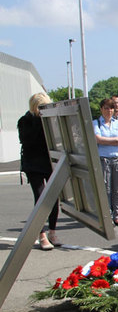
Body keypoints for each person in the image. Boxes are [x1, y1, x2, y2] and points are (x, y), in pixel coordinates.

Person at [17, 92, 60, 250]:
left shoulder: (50, 120)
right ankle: (41, 234)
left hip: (49, 163)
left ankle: (52, 232)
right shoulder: (25, 121)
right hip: (33, 164)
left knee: (54, 198)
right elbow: (27, 141)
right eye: (40, 107)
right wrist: (38, 121)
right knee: (41, 197)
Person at [93, 98, 118, 227]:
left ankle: (117, 214)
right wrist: (115, 140)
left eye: (111, 108)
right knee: (106, 188)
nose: (109, 111)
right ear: (101, 109)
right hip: (104, 159)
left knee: (117, 189)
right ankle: (106, 215)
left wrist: (109, 140)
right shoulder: (96, 123)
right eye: (106, 108)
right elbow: (98, 139)